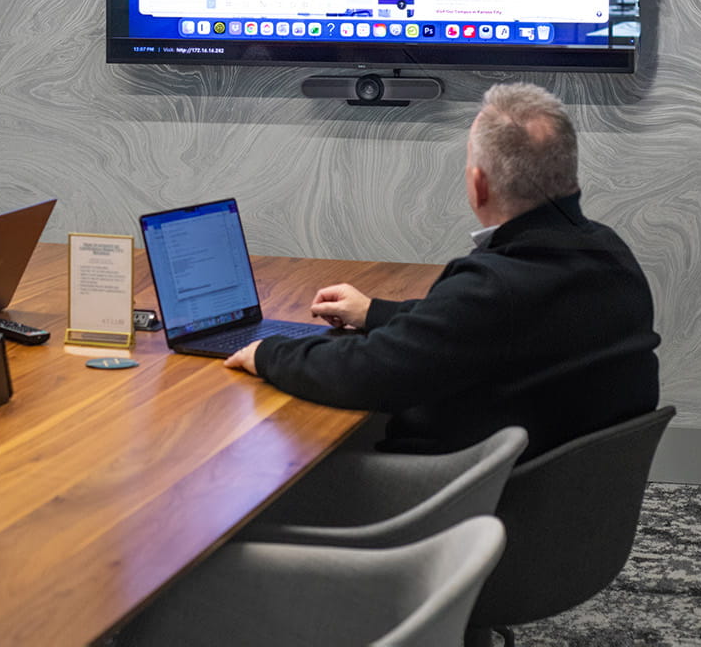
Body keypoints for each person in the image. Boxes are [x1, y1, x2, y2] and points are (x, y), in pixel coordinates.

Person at [224, 82, 660, 460]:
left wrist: (269, 353)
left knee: (280, 454)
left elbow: (368, 374)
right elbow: (483, 330)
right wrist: (375, 312)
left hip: (453, 494)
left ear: (478, 185)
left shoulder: (495, 287)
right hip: (547, 491)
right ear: (569, 175)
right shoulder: (609, 255)